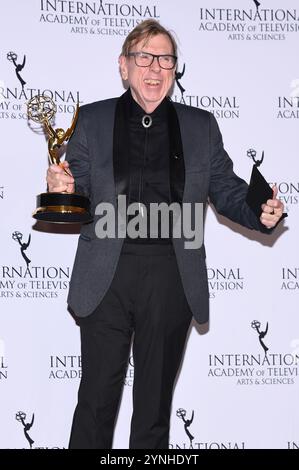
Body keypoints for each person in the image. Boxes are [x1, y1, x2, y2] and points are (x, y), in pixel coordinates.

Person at [46, 20, 284, 449]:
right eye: (144, 57)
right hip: (106, 277)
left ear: (175, 70)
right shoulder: (92, 120)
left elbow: (227, 189)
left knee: (154, 411)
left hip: (172, 276)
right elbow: (77, 190)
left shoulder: (200, 126)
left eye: (166, 59)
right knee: (95, 405)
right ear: (124, 66)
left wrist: (260, 211)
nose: (155, 68)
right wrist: (63, 190)